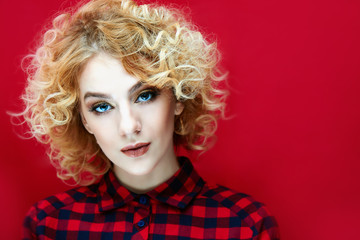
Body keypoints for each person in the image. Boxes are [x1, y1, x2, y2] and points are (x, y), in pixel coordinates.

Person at [18, 0, 279, 239]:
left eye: (144, 96)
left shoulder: (244, 224)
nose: (129, 126)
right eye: (101, 107)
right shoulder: (49, 225)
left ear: (178, 98)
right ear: (84, 121)